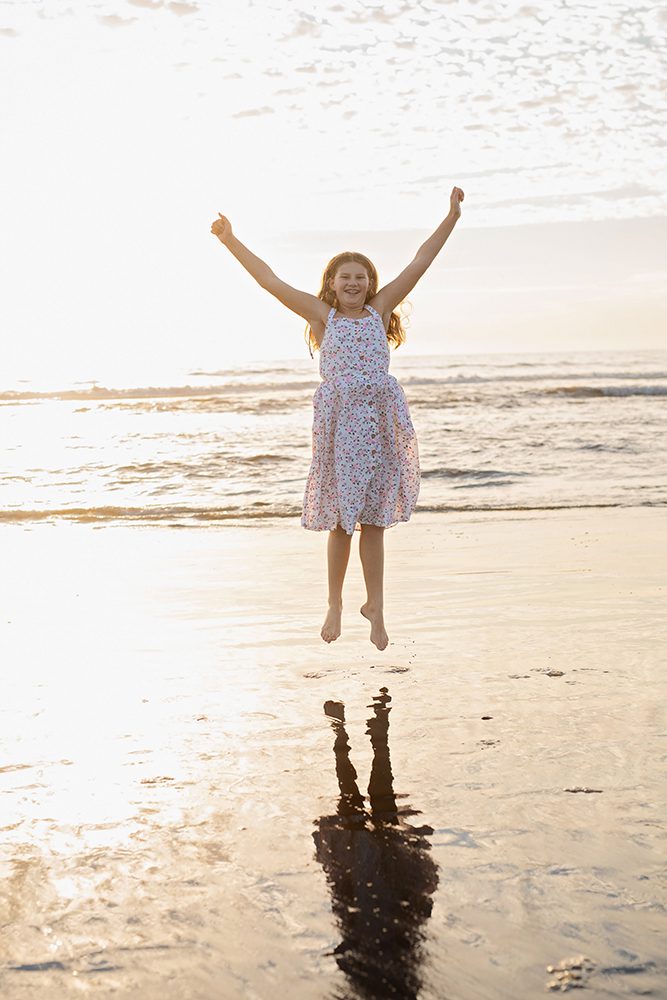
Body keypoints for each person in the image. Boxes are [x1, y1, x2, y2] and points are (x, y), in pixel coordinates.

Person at [210, 187, 464, 648]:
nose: (353, 284)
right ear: (332, 283)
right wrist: (231, 240)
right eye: (345, 277)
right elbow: (269, 281)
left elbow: (421, 261)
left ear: (370, 283)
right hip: (341, 427)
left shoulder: (379, 310)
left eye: (361, 277)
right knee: (342, 521)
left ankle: (377, 606)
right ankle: (335, 602)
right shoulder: (322, 315)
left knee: (374, 521)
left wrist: (451, 217)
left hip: (380, 424)